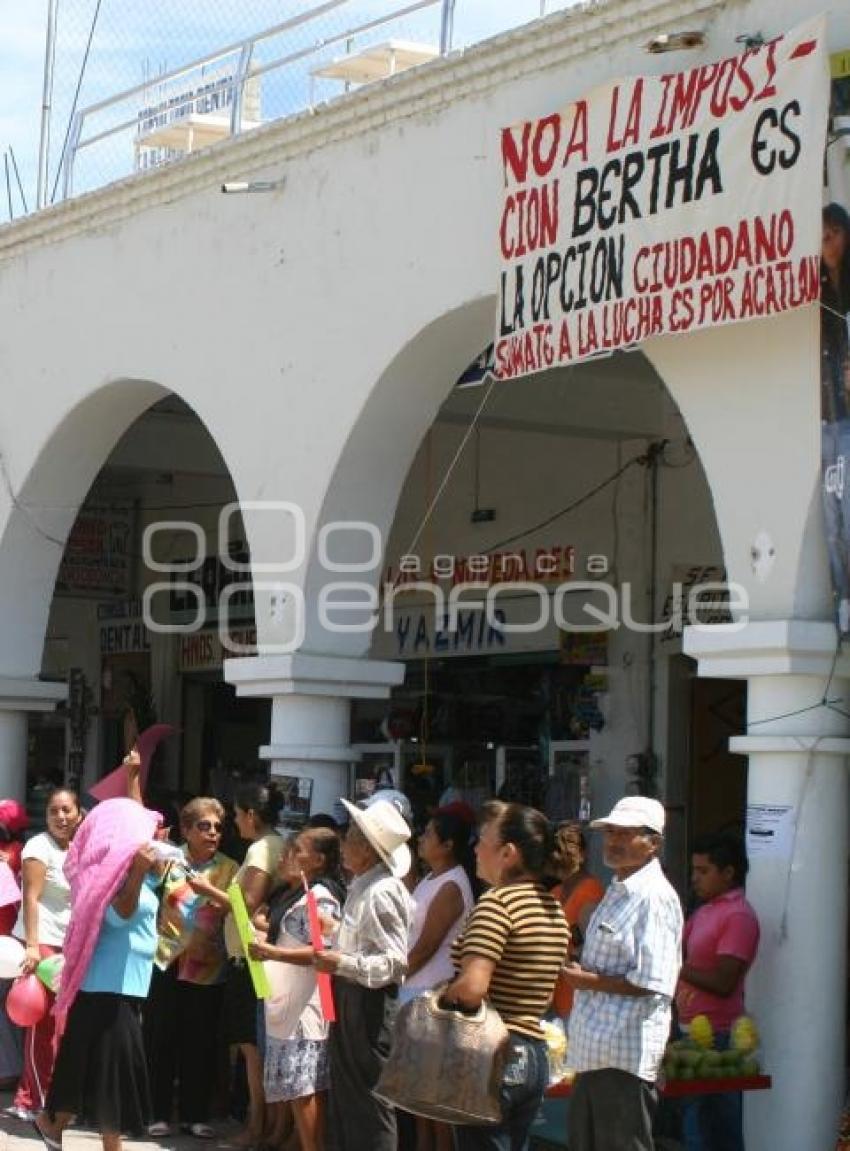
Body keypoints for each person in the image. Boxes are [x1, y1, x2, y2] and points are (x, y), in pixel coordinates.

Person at [33, 790, 163, 1151]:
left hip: (124, 985)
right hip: (106, 984)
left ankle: (52, 1123)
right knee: (110, 1072)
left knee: (95, 1066)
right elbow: (120, 915)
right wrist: (138, 869)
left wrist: (148, 860)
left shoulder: (132, 870)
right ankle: (87, 1136)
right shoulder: (103, 877)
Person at [442, 801, 570, 1151]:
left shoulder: (498, 904)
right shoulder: (551, 908)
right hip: (533, 1054)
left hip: (493, 1052)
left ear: (508, 853)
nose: (475, 848)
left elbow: (472, 987)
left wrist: (441, 997)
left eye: (483, 839)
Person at [562, 796, 683, 1151]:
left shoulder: (655, 897)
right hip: (594, 1050)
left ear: (653, 844)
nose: (613, 841)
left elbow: (654, 981)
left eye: (626, 834)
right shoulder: (619, 889)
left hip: (624, 1054)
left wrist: (588, 981)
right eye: (610, 832)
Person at [186, 782, 285, 1149]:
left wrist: (208, 891)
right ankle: (264, 1125)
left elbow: (246, 902)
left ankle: (256, 1127)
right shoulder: (272, 844)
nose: (233, 824)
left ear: (252, 815)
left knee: (251, 1050)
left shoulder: (262, 849)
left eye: (238, 815)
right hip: (246, 956)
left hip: (248, 960)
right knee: (252, 1047)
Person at [313, 797, 413, 1151]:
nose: (344, 843)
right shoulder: (363, 885)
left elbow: (393, 962)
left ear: (369, 850)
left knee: (370, 1099)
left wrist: (340, 962)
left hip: (367, 1002)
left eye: (353, 836)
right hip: (352, 996)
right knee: (350, 1095)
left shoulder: (380, 890)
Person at [143, 797, 239, 1138]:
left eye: (217, 827)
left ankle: (195, 1114)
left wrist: (211, 890)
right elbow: (146, 894)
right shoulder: (169, 859)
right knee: (160, 1039)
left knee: (199, 1042)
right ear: (186, 829)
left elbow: (239, 911)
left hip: (208, 966)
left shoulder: (230, 868)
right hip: (166, 960)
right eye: (203, 826)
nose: (212, 833)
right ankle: (157, 1112)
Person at [248, 827, 345, 1151]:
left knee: (304, 1087)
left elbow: (323, 951)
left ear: (318, 860)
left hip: (306, 1006)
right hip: (285, 1001)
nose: (288, 856)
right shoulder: (297, 893)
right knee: (292, 1085)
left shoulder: (322, 899)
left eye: (297, 850)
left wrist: (274, 953)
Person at [676, 834, 760, 1151]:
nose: (695, 878)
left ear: (728, 873)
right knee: (695, 1124)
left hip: (718, 1036)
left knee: (709, 1130)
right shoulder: (706, 910)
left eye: (704, 870)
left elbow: (724, 983)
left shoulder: (737, 915)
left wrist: (675, 967)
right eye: (694, 870)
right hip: (691, 1029)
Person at [401, 805, 477, 1151]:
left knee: (434, 1090)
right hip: (413, 989)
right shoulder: (430, 878)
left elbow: (427, 945)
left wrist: (392, 974)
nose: (421, 838)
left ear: (447, 845)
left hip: (431, 993)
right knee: (419, 1089)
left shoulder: (451, 884)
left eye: (429, 833)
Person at [4, 789, 83, 1121]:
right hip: (44, 944)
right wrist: (33, 947)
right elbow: (31, 898)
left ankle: (45, 1095)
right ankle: (32, 1100)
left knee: (64, 1027)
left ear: (79, 814)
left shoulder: (79, 849)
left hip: (70, 945)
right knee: (43, 1025)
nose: (61, 817)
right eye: (54, 811)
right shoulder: (38, 847)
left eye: (67, 810)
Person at [550, 822, 604, 1018]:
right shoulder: (556, 891)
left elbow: (591, 953)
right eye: (554, 850)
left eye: (565, 851)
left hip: (578, 1003)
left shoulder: (591, 892)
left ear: (582, 854)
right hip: (554, 998)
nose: (558, 857)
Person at [0, 799, 29, 1091]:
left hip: (7, 940)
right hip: (13, 937)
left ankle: (9, 1068)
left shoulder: (12, 856)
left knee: (5, 1007)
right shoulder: (22, 853)